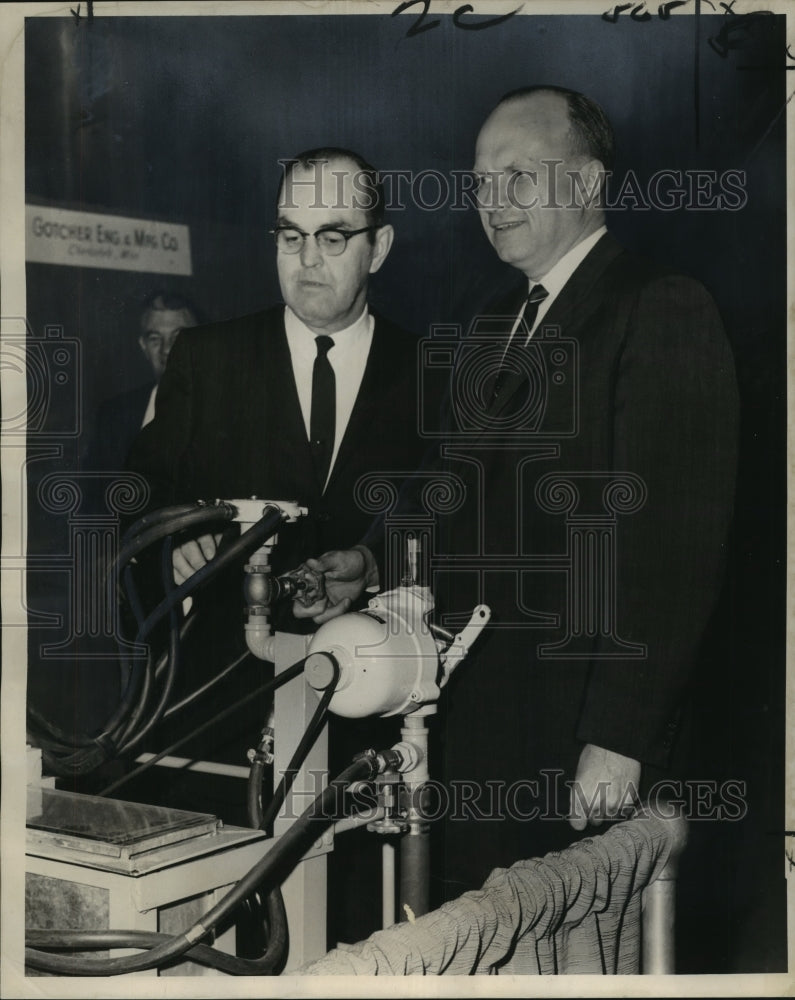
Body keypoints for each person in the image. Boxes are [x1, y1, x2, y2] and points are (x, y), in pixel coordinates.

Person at [293, 87, 740, 903]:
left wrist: (619, 736)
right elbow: (447, 479)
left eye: (516, 178)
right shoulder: (493, 320)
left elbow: (676, 549)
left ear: (586, 183)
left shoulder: (660, 306)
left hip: (583, 735)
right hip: (477, 723)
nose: (490, 203)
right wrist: (366, 556)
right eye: (478, 182)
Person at [126, 147, 426, 943]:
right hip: (216, 725)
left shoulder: (433, 369)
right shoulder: (206, 359)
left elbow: (447, 517)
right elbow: (132, 502)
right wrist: (173, 544)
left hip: (366, 727)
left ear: (379, 247)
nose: (306, 261)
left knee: (351, 937)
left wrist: (372, 563)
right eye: (289, 236)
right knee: (211, 942)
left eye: (333, 237)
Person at [85, 291, 200, 473]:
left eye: (178, 337)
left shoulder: (230, 411)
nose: (167, 349)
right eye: (155, 339)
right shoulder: (113, 415)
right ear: (143, 347)